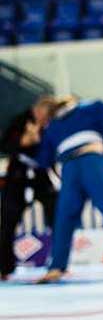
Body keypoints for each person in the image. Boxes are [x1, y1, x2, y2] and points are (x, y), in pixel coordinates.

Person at [33, 97, 103, 284]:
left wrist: (37, 135)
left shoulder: (54, 126)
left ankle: (56, 267)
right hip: (91, 160)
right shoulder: (91, 108)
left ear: (45, 111)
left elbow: (43, 159)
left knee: (65, 219)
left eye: (38, 116)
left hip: (73, 166)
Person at [0, 97, 56, 280]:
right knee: (8, 222)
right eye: (43, 114)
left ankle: (58, 262)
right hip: (18, 178)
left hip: (41, 177)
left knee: (57, 215)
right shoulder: (19, 121)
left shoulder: (52, 126)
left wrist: (39, 137)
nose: (44, 118)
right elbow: (7, 145)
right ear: (37, 110)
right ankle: (5, 268)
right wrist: (26, 139)